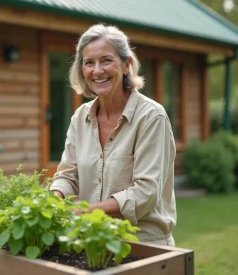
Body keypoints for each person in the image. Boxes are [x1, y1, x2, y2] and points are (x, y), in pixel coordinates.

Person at [49, 24, 177, 246]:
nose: (97, 71)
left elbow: (146, 193)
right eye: (89, 63)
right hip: (94, 243)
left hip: (143, 246)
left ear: (126, 65)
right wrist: (54, 200)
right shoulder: (80, 118)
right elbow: (68, 175)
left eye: (106, 60)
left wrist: (87, 212)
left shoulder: (152, 117)